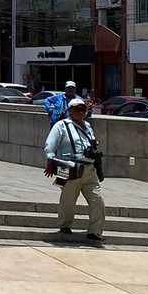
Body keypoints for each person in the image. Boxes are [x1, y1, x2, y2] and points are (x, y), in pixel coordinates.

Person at [44, 97, 105, 241]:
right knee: (68, 199)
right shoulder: (61, 125)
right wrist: (49, 162)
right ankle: (65, 225)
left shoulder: (88, 126)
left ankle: (95, 231)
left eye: (83, 109)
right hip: (71, 168)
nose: (81, 112)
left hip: (90, 168)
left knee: (97, 200)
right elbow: (50, 144)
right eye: (77, 109)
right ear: (69, 110)